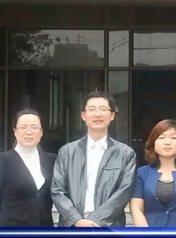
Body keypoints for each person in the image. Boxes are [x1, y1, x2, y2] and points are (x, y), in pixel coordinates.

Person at [51, 92, 136, 227]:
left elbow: (124, 192)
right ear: (83, 115)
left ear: (112, 115)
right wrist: (76, 220)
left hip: (109, 228)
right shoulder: (67, 152)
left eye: (103, 109)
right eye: (92, 109)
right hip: (72, 228)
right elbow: (57, 190)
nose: (97, 114)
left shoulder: (125, 154)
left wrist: (96, 220)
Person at [0, 109, 57, 227]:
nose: (29, 132)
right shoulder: (2, 160)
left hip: (44, 229)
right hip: (12, 230)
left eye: (34, 127)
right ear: (15, 131)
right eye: (23, 127)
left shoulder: (51, 160)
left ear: (41, 132)